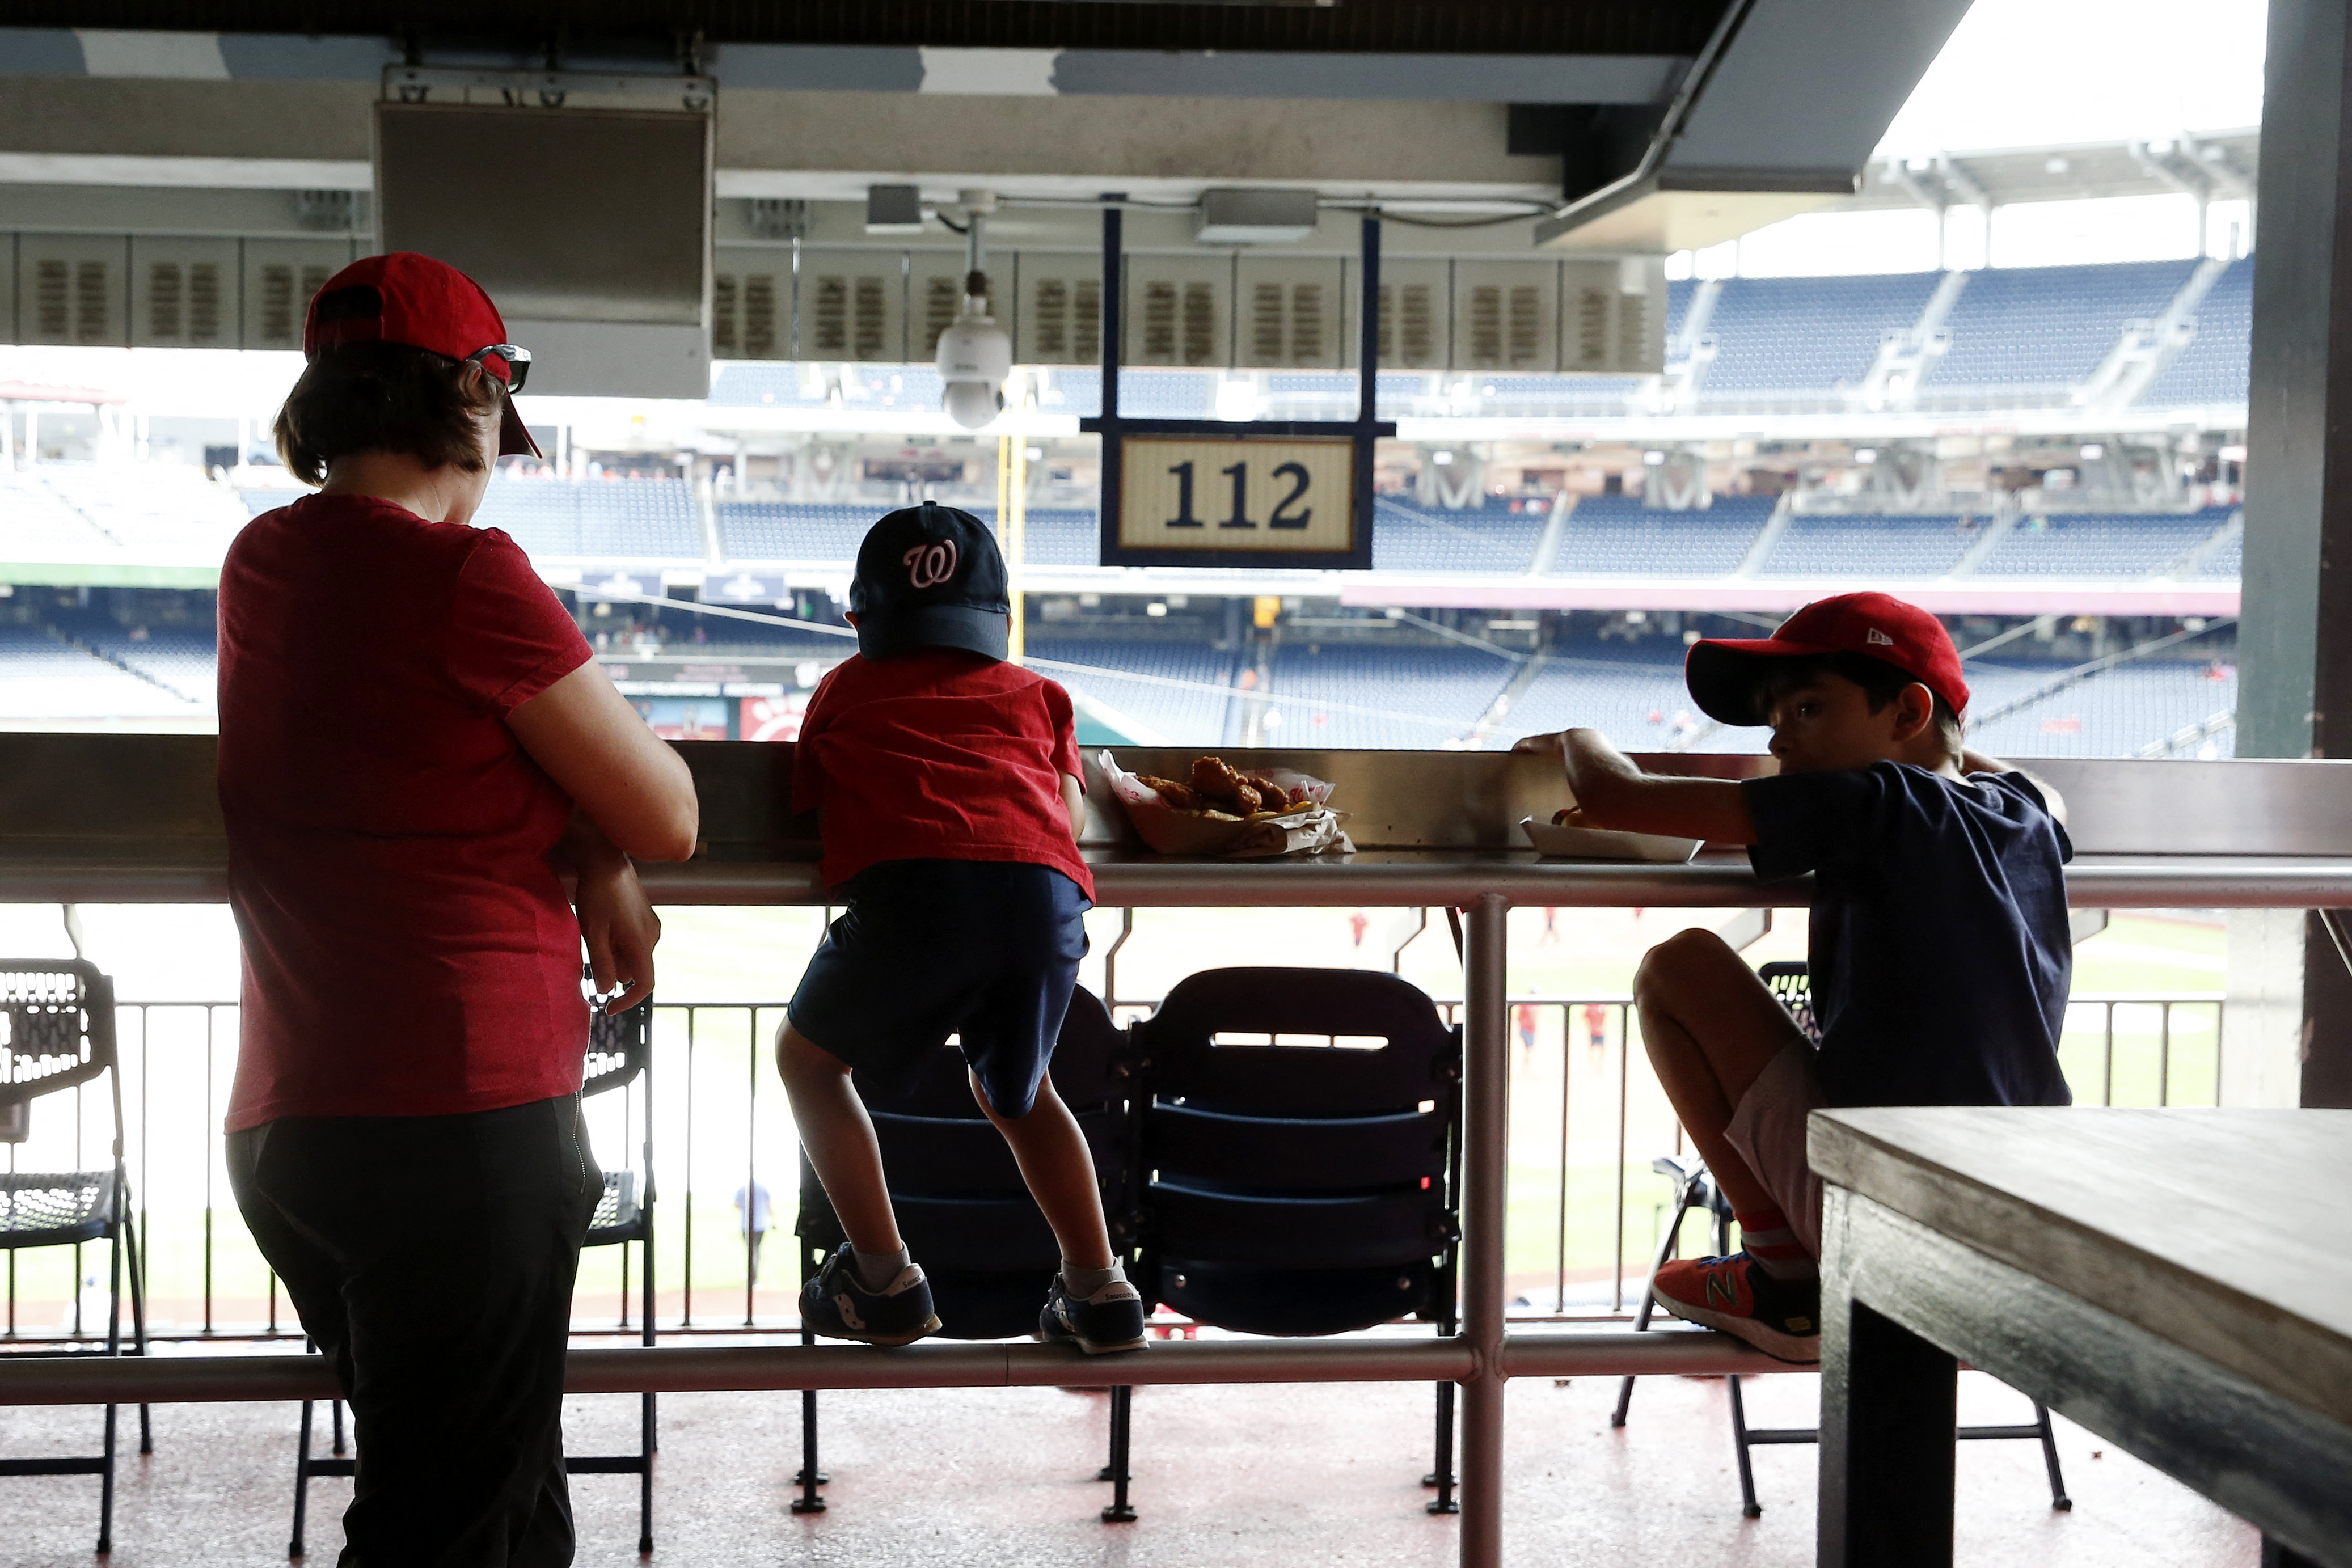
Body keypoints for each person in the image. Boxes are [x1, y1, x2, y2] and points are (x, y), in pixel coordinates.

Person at [218, 252, 699, 1565]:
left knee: (500, 1506)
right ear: (479, 397)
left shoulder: (260, 563)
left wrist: (579, 847)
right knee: (449, 1529)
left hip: (293, 1130)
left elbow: (410, 757)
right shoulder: (472, 577)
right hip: (457, 1128)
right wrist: (604, 849)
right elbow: (672, 813)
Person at [1516, 592, 2070, 1364]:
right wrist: (1943, 742)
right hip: (2016, 1221)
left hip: (1894, 1213)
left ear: (1906, 711)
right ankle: (1790, 1268)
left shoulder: (1883, 801)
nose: (1778, 740)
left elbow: (1617, 798)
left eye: (1806, 709)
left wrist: (1577, 737)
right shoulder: (2022, 811)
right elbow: (2031, 786)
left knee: (1679, 969)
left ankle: (1784, 1274)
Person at [776, 502, 1144, 1355]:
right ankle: (1099, 1290)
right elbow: (1065, 809)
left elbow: (809, 803)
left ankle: (881, 1278)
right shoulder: (1038, 694)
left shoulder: (843, 685)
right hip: (1044, 903)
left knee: (809, 1062)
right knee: (1019, 1093)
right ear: (998, 622)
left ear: (858, 618)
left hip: (918, 896)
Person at [736, 1180, 773, 1286]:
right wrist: (774, 1221)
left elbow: (736, 1204)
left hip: (747, 1225)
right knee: (756, 1251)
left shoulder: (743, 1189)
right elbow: (769, 1205)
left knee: (752, 1252)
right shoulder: (763, 1188)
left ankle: (753, 1278)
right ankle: (753, 1277)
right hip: (761, 1225)